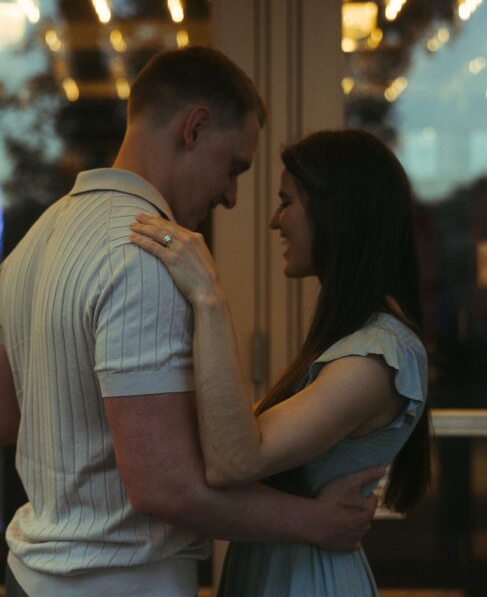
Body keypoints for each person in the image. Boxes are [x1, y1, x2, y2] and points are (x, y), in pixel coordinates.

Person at [0, 47, 385, 597]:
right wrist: (317, 523)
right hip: (119, 583)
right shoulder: (149, 255)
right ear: (195, 128)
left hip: (28, 575)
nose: (233, 197)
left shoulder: (32, 243)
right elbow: (164, 489)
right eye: (234, 166)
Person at [129, 128, 431, 596]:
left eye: (286, 201)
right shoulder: (356, 341)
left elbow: (234, 460)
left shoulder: (377, 357)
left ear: (336, 213)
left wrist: (208, 296)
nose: (275, 220)